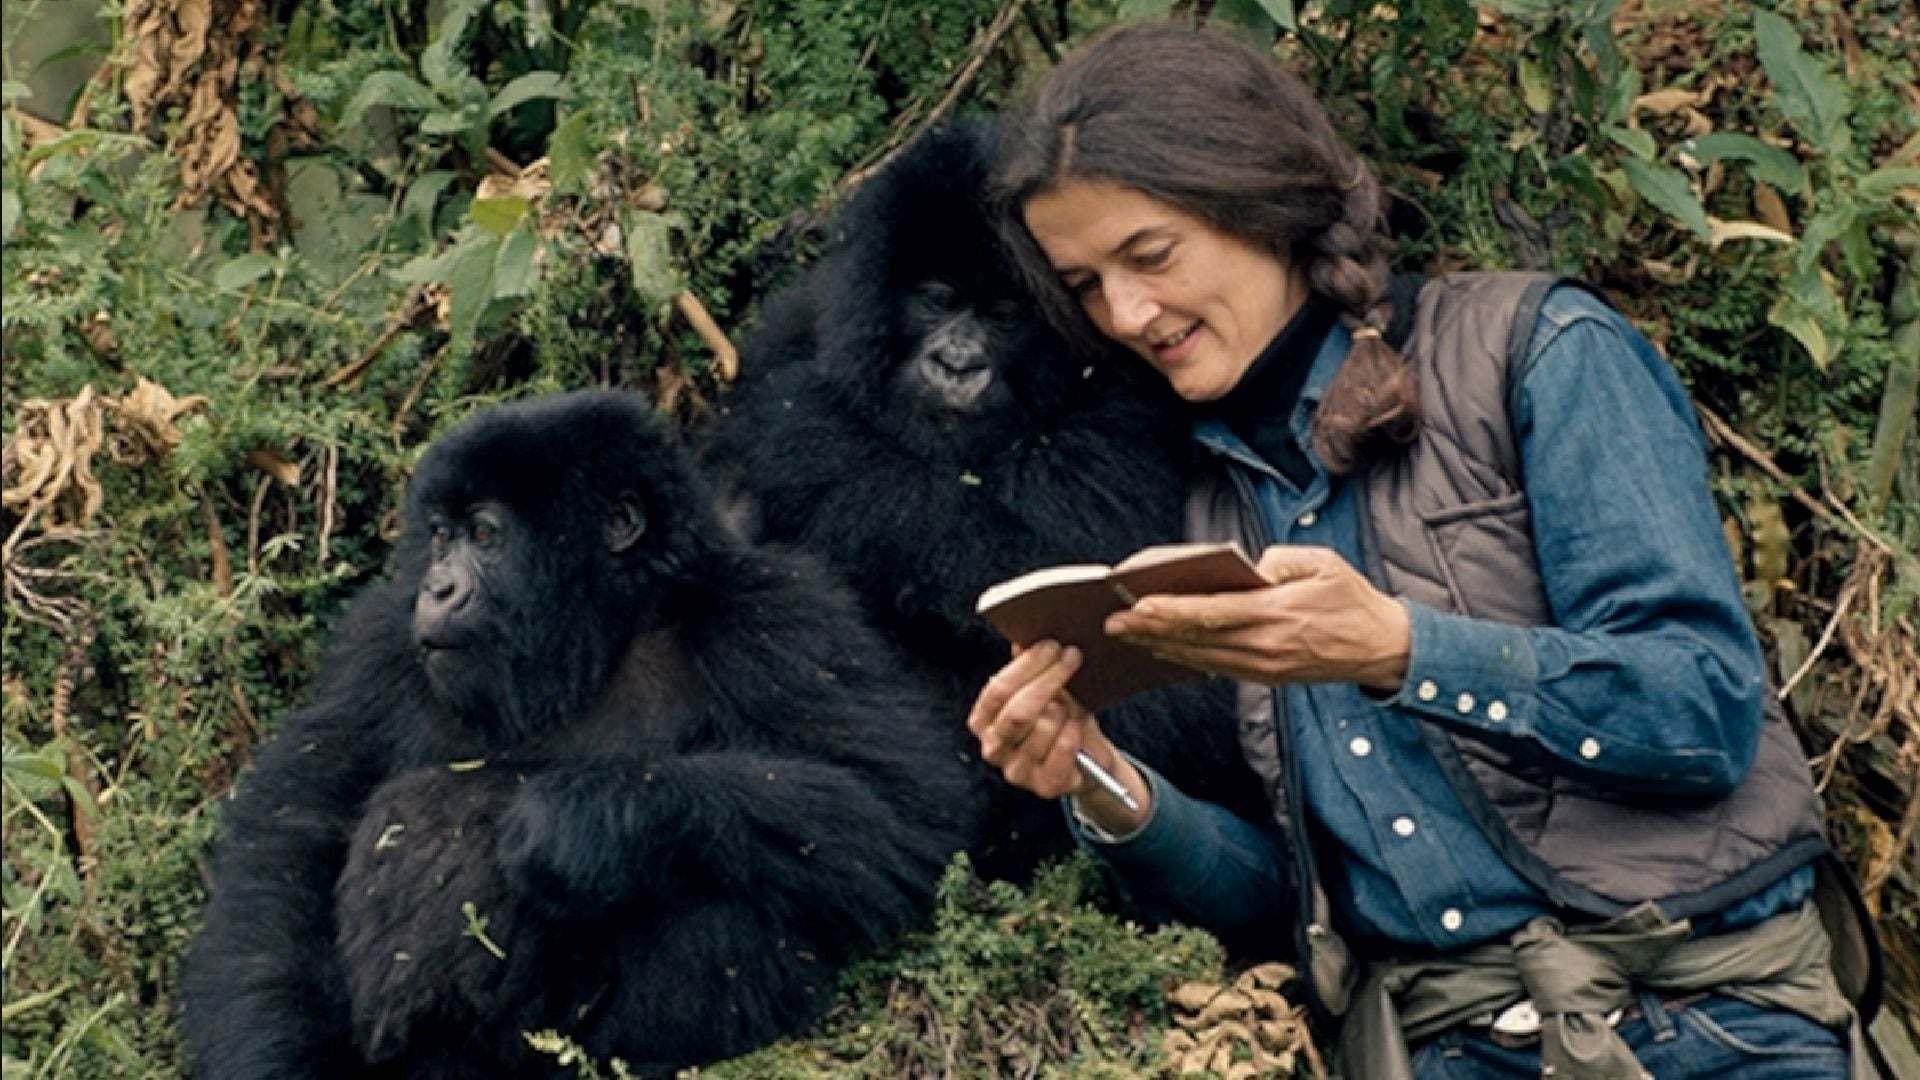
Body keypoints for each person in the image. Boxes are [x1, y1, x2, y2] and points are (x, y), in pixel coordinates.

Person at [966, 20, 1884, 1080]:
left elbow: (1704, 712)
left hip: (1710, 1029)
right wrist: (1106, 786)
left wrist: (1403, 650)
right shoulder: (1210, 508)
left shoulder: (1537, 350)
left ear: (1260, 199)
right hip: (1438, 1053)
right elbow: (1298, 909)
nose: (1125, 312)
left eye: (1150, 254)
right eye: (1084, 284)